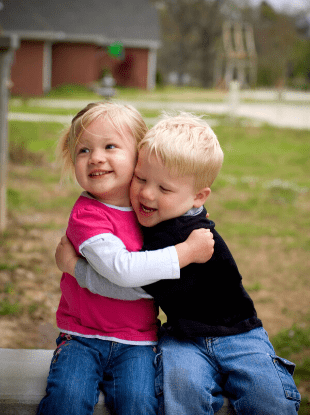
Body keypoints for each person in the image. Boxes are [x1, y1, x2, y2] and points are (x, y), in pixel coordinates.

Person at [57, 112, 301, 415]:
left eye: (164, 189)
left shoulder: (194, 231)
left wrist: (74, 267)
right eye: (142, 179)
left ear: (197, 197)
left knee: (268, 398)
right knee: (181, 392)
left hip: (239, 332)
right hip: (182, 337)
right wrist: (77, 263)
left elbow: (136, 274)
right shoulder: (137, 221)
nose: (146, 193)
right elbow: (125, 271)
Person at [37, 103, 215, 415]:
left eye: (110, 146)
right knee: (66, 400)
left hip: (138, 341)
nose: (95, 157)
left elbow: (188, 210)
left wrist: (194, 218)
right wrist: (184, 253)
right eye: (83, 150)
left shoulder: (148, 208)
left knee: (138, 404)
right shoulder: (87, 216)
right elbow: (123, 271)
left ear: (138, 157)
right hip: (83, 337)